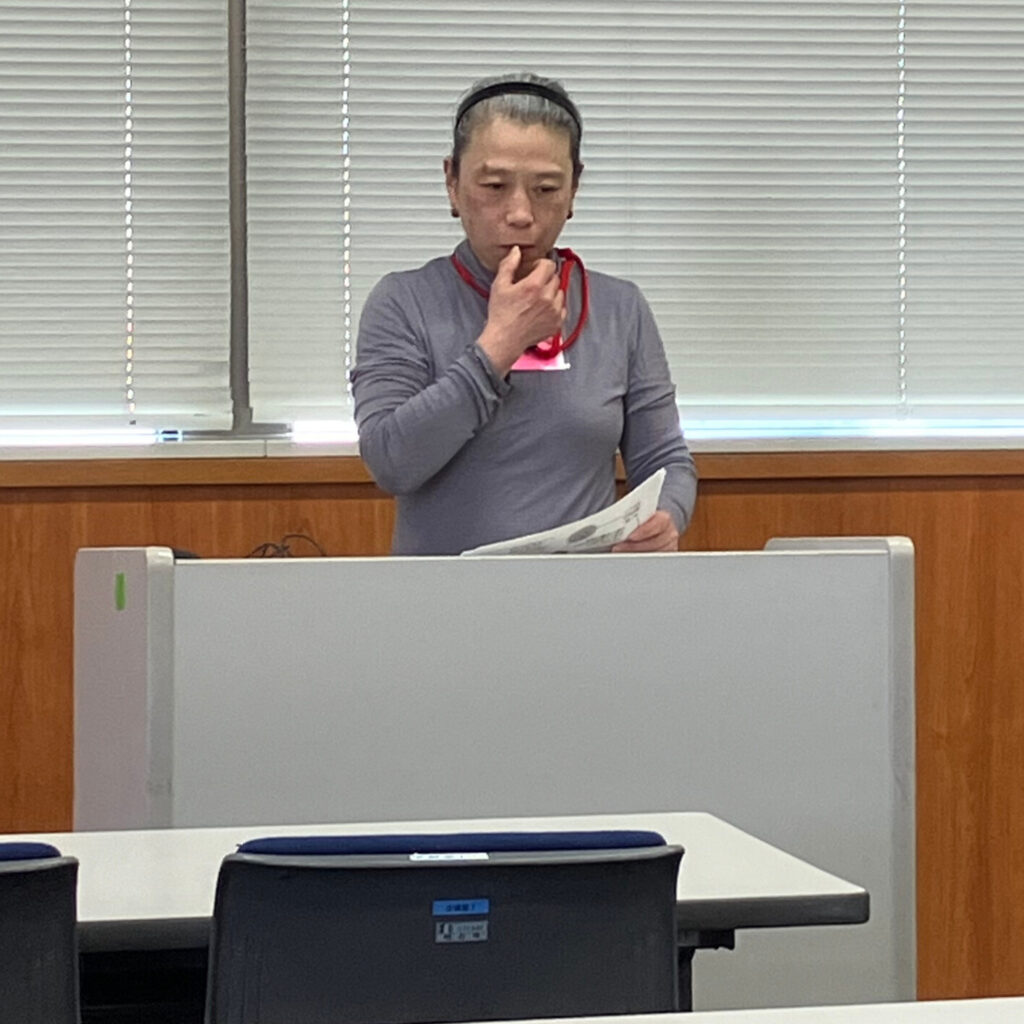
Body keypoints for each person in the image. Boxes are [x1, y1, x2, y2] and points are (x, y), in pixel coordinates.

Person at [352, 73, 697, 555]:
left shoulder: (621, 308)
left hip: (582, 589)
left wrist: (668, 515)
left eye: (546, 188)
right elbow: (391, 463)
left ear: (574, 190)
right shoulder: (403, 301)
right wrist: (499, 344)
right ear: (452, 183)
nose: (520, 213)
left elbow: (665, 460)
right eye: (494, 186)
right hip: (443, 592)